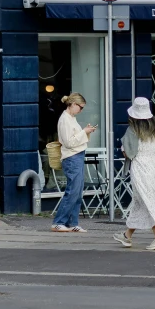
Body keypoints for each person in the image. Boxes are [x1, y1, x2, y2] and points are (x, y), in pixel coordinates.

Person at [119, 99, 155, 250]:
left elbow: (129, 153)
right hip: (154, 168)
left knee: (147, 202)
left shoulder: (132, 130)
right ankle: (127, 236)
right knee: (141, 201)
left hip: (140, 168)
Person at [53, 91, 93, 232]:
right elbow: (69, 142)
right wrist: (85, 131)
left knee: (77, 191)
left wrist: (85, 132)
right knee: (73, 191)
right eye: (80, 107)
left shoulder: (70, 118)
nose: (81, 110)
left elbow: (74, 138)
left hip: (76, 155)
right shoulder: (65, 119)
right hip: (71, 157)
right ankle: (59, 222)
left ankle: (72, 222)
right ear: (73, 104)